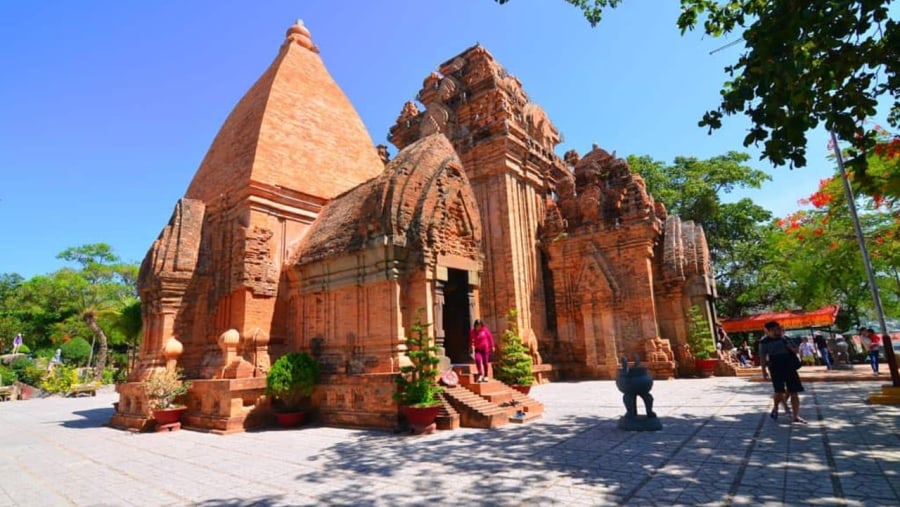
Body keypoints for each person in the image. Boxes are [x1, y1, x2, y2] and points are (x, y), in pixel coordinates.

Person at [759, 321, 806, 424]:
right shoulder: (764, 342)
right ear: (767, 331)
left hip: (789, 365)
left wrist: (790, 347)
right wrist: (764, 371)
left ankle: (795, 416)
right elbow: (762, 357)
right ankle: (775, 407)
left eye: (778, 329)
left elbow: (796, 351)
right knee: (779, 391)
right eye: (773, 330)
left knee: (794, 391)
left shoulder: (786, 339)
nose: (777, 332)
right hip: (775, 366)